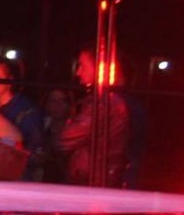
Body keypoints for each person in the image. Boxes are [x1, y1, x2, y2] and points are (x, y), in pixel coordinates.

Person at [50, 48, 138, 186]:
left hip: (93, 180)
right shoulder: (109, 100)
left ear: (100, 68)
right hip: (97, 177)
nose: (78, 72)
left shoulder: (103, 104)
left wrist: (65, 122)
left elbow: (63, 140)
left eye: (82, 66)